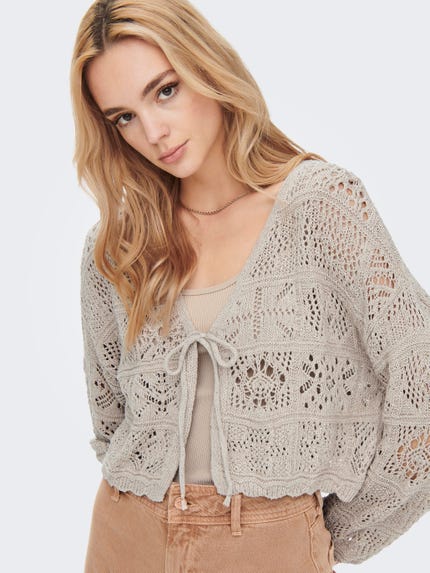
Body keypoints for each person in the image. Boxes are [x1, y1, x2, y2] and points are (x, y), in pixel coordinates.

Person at [71, 1, 430, 571]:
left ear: (206, 66)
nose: (154, 132)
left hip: (267, 542)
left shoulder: (320, 207)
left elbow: (420, 374)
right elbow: (110, 416)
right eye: (124, 117)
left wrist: (332, 534)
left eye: (165, 90)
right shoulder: (118, 246)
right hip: (125, 535)